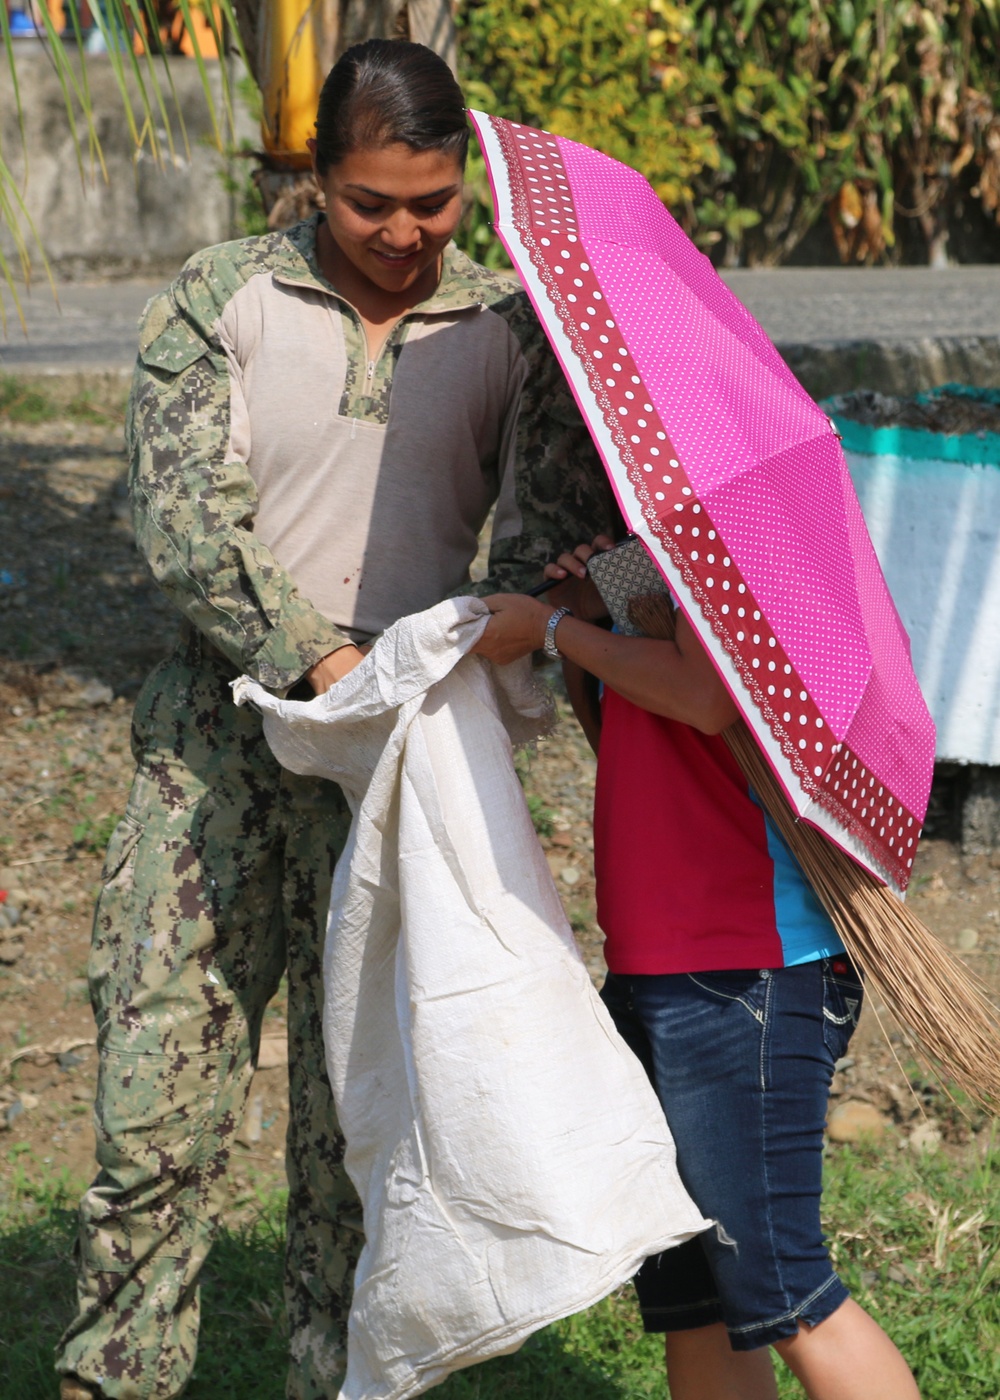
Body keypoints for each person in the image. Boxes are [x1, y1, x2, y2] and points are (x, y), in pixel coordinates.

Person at [56, 40, 612, 1400]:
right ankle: (111, 1380)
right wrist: (313, 659)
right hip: (215, 747)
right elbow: (181, 519)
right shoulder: (223, 296)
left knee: (356, 1140)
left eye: (434, 203)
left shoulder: (509, 328)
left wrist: (451, 649)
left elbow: (547, 544)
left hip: (401, 767)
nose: (408, 233)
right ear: (315, 182)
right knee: (153, 1117)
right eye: (375, 203)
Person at [471, 547, 922, 1400]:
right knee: (697, 1297)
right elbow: (633, 734)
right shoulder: (656, 561)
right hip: (655, 961)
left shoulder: (748, 549)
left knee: (784, 1288)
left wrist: (558, 628)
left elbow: (703, 698)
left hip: (749, 966)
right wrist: (591, 605)